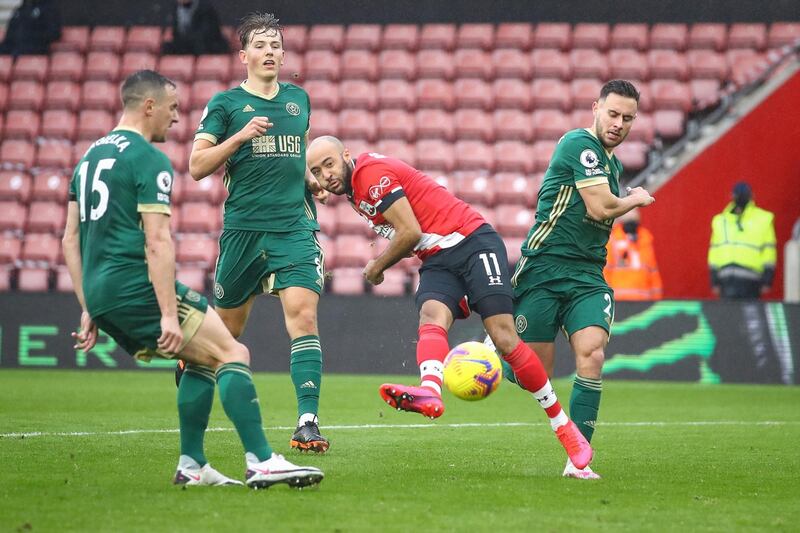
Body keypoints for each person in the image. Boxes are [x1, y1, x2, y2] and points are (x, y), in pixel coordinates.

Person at [62, 69, 323, 489]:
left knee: (203, 358)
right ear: (149, 106)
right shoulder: (147, 158)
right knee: (232, 353)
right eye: (172, 108)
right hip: (135, 287)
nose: (177, 118)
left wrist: (89, 304)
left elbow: (71, 238)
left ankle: (192, 464)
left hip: (99, 291)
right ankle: (261, 461)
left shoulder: (90, 156)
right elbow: (158, 242)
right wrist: (169, 313)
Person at [307, 136, 594, 472]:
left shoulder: (370, 175)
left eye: (329, 164)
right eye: (317, 171)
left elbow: (410, 232)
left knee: (504, 337)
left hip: (472, 242)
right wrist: (319, 187)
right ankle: (430, 391)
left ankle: (563, 425)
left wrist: (376, 266)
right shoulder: (354, 184)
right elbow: (330, 182)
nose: (325, 174)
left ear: (345, 155)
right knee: (431, 314)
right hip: (439, 258)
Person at [188, 13, 330, 453]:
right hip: (243, 232)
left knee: (304, 315)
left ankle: (308, 420)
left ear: (283, 54)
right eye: (261, 44)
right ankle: (191, 370)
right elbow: (196, 167)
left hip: (293, 228)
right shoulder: (226, 105)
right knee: (225, 337)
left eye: (276, 44)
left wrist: (310, 183)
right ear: (243, 55)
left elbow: (294, 159)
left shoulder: (299, 100)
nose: (270, 51)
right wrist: (239, 138)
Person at [501, 80, 655, 480]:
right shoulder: (578, 145)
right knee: (533, 372)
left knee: (593, 353)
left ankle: (579, 459)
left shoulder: (612, 163)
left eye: (628, 118)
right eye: (613, 114)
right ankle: (495, 346)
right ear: (596, 108)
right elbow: (602, 206)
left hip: (587, 275)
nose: (619, 123)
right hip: (543, 269)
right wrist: (634, 199)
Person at [708, 182, 776, 299]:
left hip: (751, 279)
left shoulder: (763, 218)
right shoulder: (720, 220)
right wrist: (714, 279)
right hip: (726, 279)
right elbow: (714, 252)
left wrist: (767, 278)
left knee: (749, 315)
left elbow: (769, 251)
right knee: (728, 315)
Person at [603, 208, 663, 300]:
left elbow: (653, 273)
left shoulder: (645, 241)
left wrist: (656, 301)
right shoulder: (613, 240)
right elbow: (605, 271)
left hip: (643, 301)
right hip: (619, 301)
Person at [161, 0, 229, 55]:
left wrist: (190, 38)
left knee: (199, 45)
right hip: (186, 44)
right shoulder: (175, 8)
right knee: (168, 47)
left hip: (206, 43)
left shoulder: (205, 7)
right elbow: (176, 32)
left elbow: (209, 31)